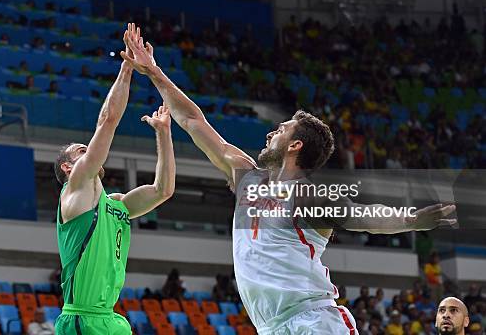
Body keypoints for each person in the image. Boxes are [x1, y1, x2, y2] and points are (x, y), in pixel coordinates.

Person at [121, 23, 458, 335]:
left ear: (295, 145)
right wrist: (154, 72)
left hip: (313, 320)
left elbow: (364, 216)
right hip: (271, 328)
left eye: (280, 130)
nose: (271, 132)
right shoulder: (245, 176)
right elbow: (194, 120)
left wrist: (413, 219)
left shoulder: (310, 195)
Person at [54, 23, 176, 335]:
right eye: (80, 151)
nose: (88, 148)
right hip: (81, 319)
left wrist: (164, 134)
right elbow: (107, 121)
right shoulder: (74, 191)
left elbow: (163, 190)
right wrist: (128, 66)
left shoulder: (116, 205)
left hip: (111, 319)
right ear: (69, 169)